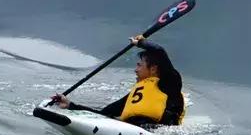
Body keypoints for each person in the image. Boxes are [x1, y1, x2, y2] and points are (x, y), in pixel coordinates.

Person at [50, 35, 185, 127]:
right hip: (135, 131)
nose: (135, 70)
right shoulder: (137, 93)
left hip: (161, 132)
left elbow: (160, 51)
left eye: (139, 65)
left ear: (154, 69)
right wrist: (70, 105)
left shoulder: (170, 83)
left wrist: (140, 43)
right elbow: (104, 113)